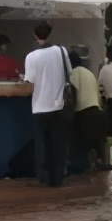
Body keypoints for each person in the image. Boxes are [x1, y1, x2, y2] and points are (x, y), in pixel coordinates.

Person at [22, 22, 75, 187]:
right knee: (58, 144)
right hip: (60, 105)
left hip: (40, 106)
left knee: (42, 143)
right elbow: (69, 72)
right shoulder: (61, 51)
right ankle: (57, 177)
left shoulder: (31, 57)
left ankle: (42, 175)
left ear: (35, 36)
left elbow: (29, 82)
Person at [67, 50, 108, 174]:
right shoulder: (89, 73)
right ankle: (98, 162)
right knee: (95, 141)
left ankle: (82, 166)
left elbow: (72, 93)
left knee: (79, 143)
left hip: (84, 114)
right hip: (97, 111)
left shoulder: (73, 74)